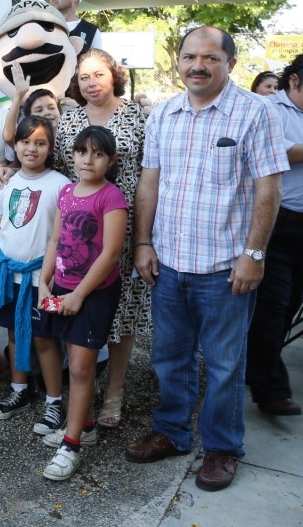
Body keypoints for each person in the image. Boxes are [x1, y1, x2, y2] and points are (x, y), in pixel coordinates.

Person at [127, 26, 288, 492]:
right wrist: (143, 243)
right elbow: (150, 183)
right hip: (170, 264)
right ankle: (174, 432)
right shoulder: (164, 115)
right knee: (169, 357)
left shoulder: (255, 113)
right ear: (178, 61)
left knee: (223, 364)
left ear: (230, 64)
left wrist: (253, 254)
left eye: (210, 58)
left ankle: (221, 448)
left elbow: (268, 189)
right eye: (190, 56)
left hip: (225, 269)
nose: (198, 65)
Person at [53, 48, 148, 429]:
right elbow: (60, 169)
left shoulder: (136, 116)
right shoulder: (69, 118)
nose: (90, 83)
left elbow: (148, 172)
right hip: (79, 229)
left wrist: (143, 238)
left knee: (121, 311)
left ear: (114, 75)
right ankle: (84, 387)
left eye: (98, 74)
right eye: (83, 77)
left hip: (123, 227)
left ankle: (115, 394)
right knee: (81, 307)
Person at [37, 126, 128, 481]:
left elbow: (111, 253)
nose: (88, 160)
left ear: (110, 160)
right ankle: (85, 424)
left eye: (98, 153)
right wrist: (44, 283)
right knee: (61, 352)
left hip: (93, 294)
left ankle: (71, 444)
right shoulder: (65, 192)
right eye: (81, 151)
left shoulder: (111, 197)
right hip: (59, 288)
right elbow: (56, 239)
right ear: (71, 154)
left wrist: (78, 295)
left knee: (79, 368)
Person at [0, 117, 69, 428]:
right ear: (14, 146)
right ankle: (19, 390)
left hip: (40, 281)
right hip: (8, 276)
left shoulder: (60, 185)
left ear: (50, 147)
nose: (31, 148)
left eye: (40, 142)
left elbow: (61, 239)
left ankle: (54, 402)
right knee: (15, 336)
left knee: (44, 340)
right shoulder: (7, 183)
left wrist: (51, 280)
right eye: (25, 141)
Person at [246, 54, 303, 416]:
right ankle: (270, 390)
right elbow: (281, 153)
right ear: (295, 81)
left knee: (289, 308)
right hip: (277, 223)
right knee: (272, 306)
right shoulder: (269, 108)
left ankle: (257, 368)